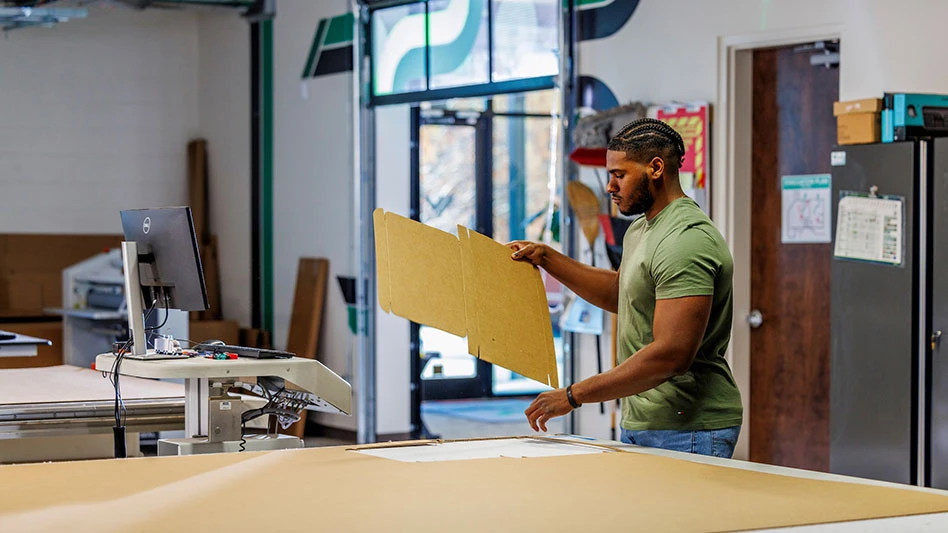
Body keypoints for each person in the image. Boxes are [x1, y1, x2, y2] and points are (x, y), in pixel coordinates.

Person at [509, 118, 743, 458]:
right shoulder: (642, 229)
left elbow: (671, 356)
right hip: (646, 421)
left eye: (619, 174)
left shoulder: (685, 240)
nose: (609, 187)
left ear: (656, 168)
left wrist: (574, 395)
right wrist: (547, 258)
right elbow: (623, 292)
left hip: (688, 427)